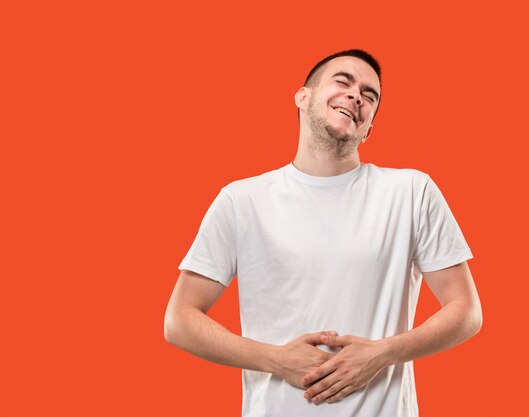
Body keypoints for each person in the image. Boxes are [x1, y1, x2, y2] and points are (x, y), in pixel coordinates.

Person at [164, 49, 482, 417]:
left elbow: (466, 311)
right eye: (343, 81)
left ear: (368, 128)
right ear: (303, 97)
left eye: (369, 95)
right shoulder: (241, 200)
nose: (356, 96)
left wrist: (382, 353)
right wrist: (277, 360)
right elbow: (180, 321)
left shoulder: (411, 191)